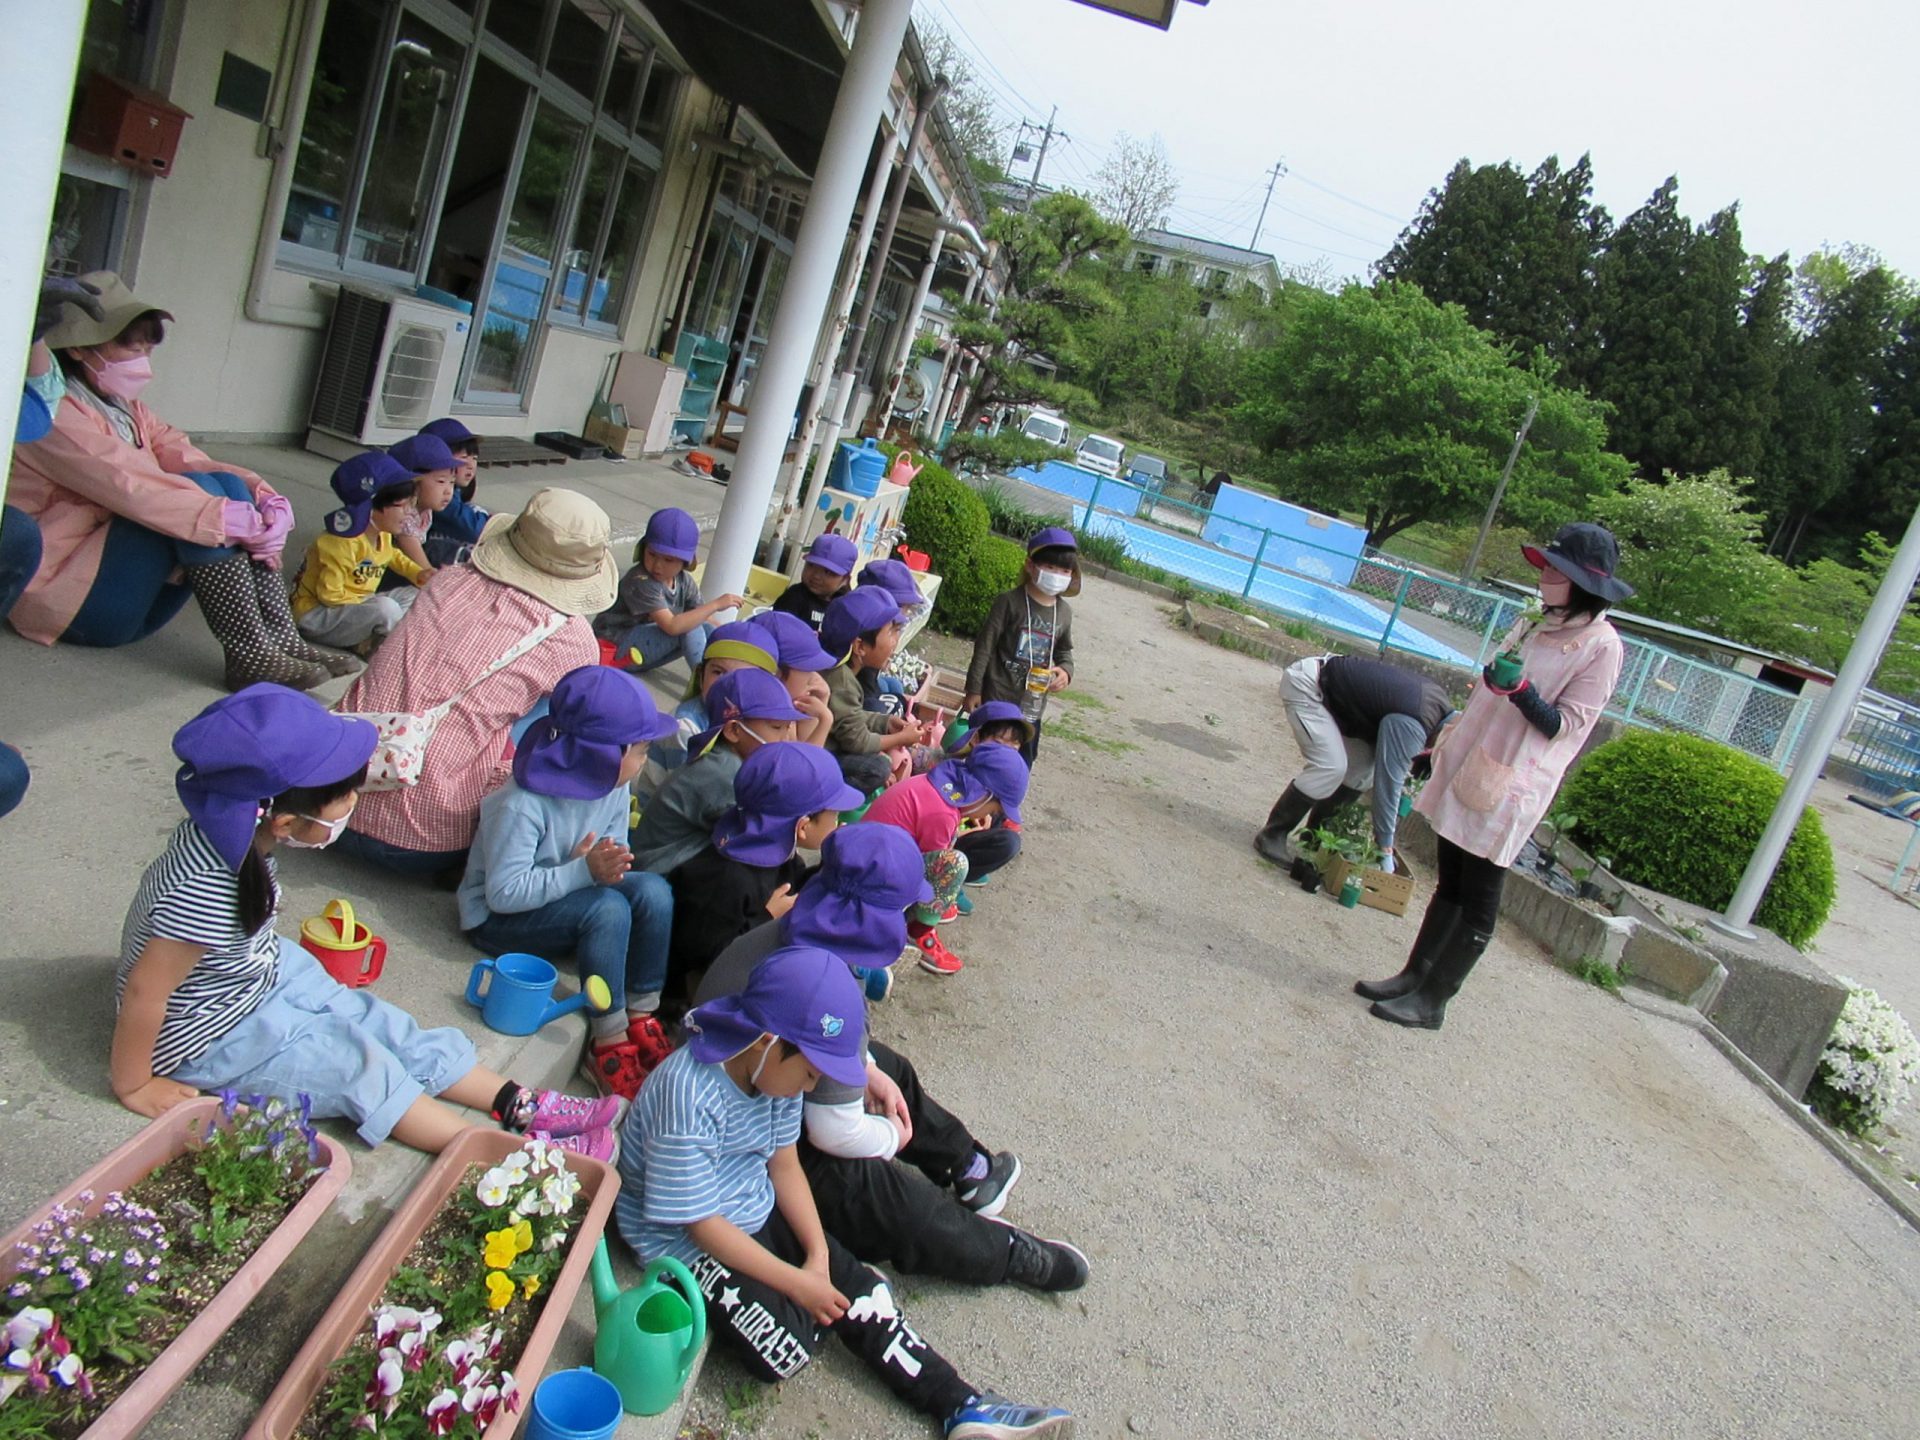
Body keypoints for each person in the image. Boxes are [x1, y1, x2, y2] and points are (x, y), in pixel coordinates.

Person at [112, 685, 621, 1157]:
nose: (354, 802)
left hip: (246, 983)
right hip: (209, 1037)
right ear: (284, 822)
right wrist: (135, 1083)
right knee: (356, 1065)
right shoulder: (207, 889)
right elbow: (145, 991)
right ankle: (506, 1155)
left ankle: (517, 1101)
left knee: (376, 1020)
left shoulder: (233, 836)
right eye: (345, 795)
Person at [614, 945, 1074, 1440]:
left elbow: (784, 1165)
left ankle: (960, 1404)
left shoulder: (774, 1076)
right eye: (811, 1072)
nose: (812, 1085)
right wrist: (797, 1282)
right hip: (685, 1243)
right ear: (767, 1041)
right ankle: (806, 1304)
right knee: (785, 1349)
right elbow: (701, 1225)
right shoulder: (689, 1094)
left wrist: (816, 1253)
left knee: (862, 1294)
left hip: (746, 1202)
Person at [693, 827, 1087, 1292]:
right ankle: (1003, 1252)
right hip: (739, 1141)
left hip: (764, 1079)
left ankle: (967, 1166)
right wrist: (889, 1138)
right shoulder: (831, 978)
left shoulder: (805, 930)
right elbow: (833, 1131)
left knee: (887, 1067)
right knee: (874, 1191)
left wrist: (869, 1070)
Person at [9, 271, 347, 689]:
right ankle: (250, 652)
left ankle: (276, 639)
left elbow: (185, 456)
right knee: (200, 503)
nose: (142, 361)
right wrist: (224, 517)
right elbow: (127, 483)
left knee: (222, 485)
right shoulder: (54, 411)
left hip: (127, 604)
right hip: (67, 603)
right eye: (130, 347)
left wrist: (263, 500)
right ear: (78, 347)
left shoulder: (123, 406)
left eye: (147, 348)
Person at [1358, 523, 1631, 1030]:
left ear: (1582, 584)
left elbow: (1565, 726)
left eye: (1556, 572)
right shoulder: (1534, 620)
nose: (1544, 578)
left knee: (1479, 893)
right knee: (1450, 881)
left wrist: (1521, 690)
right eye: (1546, 568)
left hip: (1512, 780)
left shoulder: (1601, 646)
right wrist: (1489, 686)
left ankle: (1435, 999)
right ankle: (1413, 976)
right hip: (1474, 756)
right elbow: (1491, 679)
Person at [334, 489, 612, 878]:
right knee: (557, 711)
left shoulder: (449, 580)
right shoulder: (571, 637)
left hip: (326, 796)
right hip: (422, 843)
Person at [460, 667, 679, 1099]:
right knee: (608, 908)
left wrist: (604, 863)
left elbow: (614, 846)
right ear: (603, 755)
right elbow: (502, 895)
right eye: (640, 751)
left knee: (653, 891)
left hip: (566, 895)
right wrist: (582, 871)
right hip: (497, 921)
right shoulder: (522, 805)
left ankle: (641, 1013)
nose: (644, 761)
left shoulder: (613, 787)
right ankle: (608, 1039)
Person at [664, 742, 859, 991]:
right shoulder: (726, 877)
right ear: (803, 826)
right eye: (835, 816)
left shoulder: (773, 849)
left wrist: (829, 865)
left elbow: (796, 888)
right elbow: (705, 956)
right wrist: (765, 919)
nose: (838, 822)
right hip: (698, 989)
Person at [1254, 655, 1453, 875]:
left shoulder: (1438, 708)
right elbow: (1389, 785)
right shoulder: (1413, 722)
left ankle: (1316, 837)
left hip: (1332, 693)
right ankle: (1272, 834)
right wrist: (1385, 848)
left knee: (1362, 773)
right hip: (1310, 687)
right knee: (1330, 767)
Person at [860, 746, 1030, 977]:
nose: (990, 814)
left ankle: (896, 921)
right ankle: (917, 931)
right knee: (953, 864)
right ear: (985, 794)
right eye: (995, 808)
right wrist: (941, 900)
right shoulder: (943, 813)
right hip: (872, 879)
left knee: (947, 861)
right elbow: (938, 864)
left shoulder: (937, 786)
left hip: (869, 860)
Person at [629, 669, 804, 877]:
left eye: (787, 727)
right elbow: (753, 839)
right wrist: (804, 830)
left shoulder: (734, 760)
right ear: (734, 730)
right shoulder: (725, 773)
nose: (785, 738)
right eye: (776, 727)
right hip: (657, 870)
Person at [290, 452, 431, 653]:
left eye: (412, 503)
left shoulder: (382, 534)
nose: (410, 512)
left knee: (416, 595)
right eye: (403, 505)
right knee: (386, 608)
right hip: (317, 615)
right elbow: (329, 595)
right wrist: (366, 605)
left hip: (356, 606)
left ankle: (373, 640)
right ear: (371, 507)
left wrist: (419, 574)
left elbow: (394, 556)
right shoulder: (341, 543)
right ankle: (388, 645)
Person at [964, 528, 1077, 767]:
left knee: (1023, 760)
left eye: (1065, 571)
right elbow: (984, 646)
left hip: (1032, 706)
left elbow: (1063, 651)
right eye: (1050, 567)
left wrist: (1066, 671)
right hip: (998, 696)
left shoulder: (1064, 612)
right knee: (988, 755)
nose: (1057, 575)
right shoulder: (1008, 602)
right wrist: (974, 689)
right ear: (1030, 565)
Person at [593, 507, 742, 676]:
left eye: (668, 560)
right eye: (652, 554)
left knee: (704, 625)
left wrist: (729, 638)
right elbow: (672, 626)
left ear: (685, 562)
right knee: (689, 628)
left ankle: (728, 675)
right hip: (613, 648)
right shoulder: (641, 580)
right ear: (643, 549)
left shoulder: (684, 581)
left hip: (640, 648)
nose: (657, 565)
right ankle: (702, 680)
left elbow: (704, 616)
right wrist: (716, 604)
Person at [642, 619, 780, 792]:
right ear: (701, 675)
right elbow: (698, 794)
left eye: (744, 678)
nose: (727, 684)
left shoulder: (755, 722)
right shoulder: (685, 727)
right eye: (718, 672)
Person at [820, 588, 922, 793]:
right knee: (878, 768)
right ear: (860, 647)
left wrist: (884, 722)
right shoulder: (843, 682)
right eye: (892, 631)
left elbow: (848, 715)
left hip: (825, 745)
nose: (895, 640)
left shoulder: (839, 670)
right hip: (822, 755)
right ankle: (826, 800)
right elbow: (857, 742)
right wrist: (900, 739)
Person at [752, 610, 840, 749]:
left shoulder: (787, 705)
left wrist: (820, 701)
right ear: (776, 673)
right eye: (807, 669)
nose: (813, 677)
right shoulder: (764, 718)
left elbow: (803, 741)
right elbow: (804, 759)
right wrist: (825, 721)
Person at [383, 432, 460, 578]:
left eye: (452, 482)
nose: (448, 491)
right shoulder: (404, 514)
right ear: (414, 482)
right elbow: (422, 566)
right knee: (438, 550)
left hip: (404, 569)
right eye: (441, 481)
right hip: (386, 572)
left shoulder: (425, 510)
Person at [417, 418, 490, 567]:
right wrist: (493, 521)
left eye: (474, 458)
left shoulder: (453, 490)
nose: (471, 465)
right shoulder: (435, 496)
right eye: (463, 457)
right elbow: (474, 530)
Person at [770, 533, 856, 629]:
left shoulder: (844, 606)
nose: (816, 576)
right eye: (811, 565)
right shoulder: (794, 597)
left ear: (845, 579)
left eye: (827, 572)